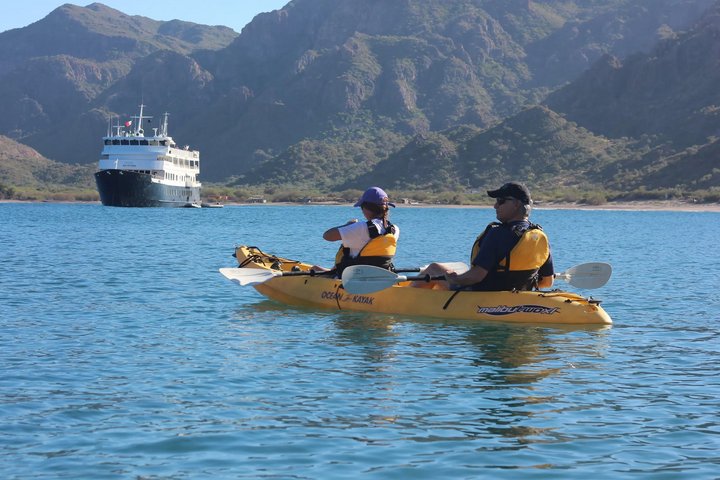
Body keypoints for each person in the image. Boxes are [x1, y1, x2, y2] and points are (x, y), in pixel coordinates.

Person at [417, 182, 554, 291]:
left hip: (481, 295)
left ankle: (403, 299)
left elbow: (475, 277)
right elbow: (547, 282)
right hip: (517, 294)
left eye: (501, 201)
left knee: (434, 269)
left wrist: (455, 279)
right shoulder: (539, 235)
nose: (495, 206)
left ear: (517, 204)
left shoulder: (497, 234)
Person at [312, 187, 400, 276]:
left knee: (315, 268)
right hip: (380, 278)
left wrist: (347, 225)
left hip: (353, 280)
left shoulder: (360, 227)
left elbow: (327, 236)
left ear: (366, 208)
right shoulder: (394, 230)